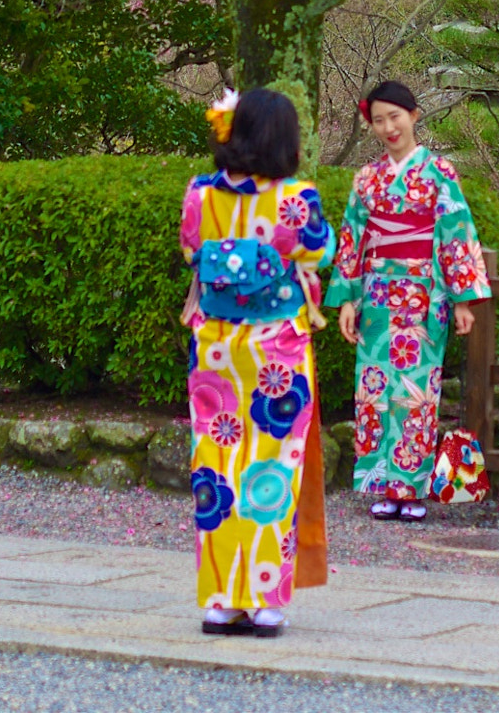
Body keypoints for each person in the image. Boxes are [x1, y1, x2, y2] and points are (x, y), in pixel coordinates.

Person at [179, 86, 334, 639]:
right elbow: (318, 252)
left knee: (215, 466)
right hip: (277, 351)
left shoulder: (200, 195)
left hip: (217, 346)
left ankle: (220, 600)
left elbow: (192, 249)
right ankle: (266, 600)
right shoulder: (297, 198)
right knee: (271, 466)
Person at [327, 79, 491, 520]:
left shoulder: (440, 172)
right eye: (378, 120)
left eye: (395, 117)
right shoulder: (367, 178)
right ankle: (382, 483)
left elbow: (455, 234)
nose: (387, 127)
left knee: (417, 394)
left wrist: (461, 299)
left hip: (423, 297)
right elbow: (352, 239)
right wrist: (347, 299)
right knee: (374, 390)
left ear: (414, 115)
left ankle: (411, 487)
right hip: (377, 298)